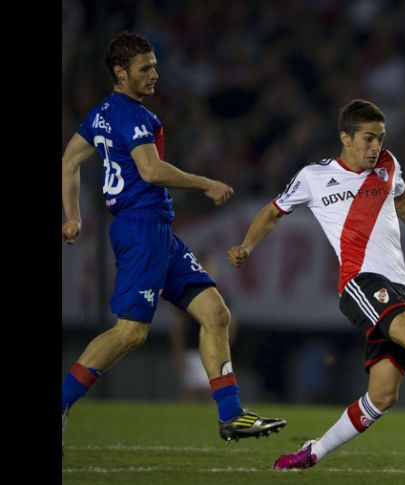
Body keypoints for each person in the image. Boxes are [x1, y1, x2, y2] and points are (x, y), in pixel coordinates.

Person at [228, 99, 405, 470]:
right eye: (368, 139)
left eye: (380, 139)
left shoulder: (388, 164)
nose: (375, 147)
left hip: (400, 283)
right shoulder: (313, 177)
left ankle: (311, 451)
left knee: (382, 396)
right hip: (359, 281)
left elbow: (401, 197)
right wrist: (245, 246)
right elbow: (273, 212)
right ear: (346, 138)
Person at [61, 31, 285, 452]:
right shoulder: (134, 116)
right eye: (145, 68)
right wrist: (204, 183)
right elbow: (150, 171)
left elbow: (69, 160)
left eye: (155, 66)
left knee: (215, 313)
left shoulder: (101, 114)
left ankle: (231, 414)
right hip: (141, 228)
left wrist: (73, 216)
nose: (154, 74)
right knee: (130, 333)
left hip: (158, 232)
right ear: (119, 72)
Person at [171, 252, 238, 403]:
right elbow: (179, 327)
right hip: (193, 349)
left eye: (211, 267)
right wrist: (178, 351)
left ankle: (211, 422)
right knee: (191, 389)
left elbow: (231, 324)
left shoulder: (221, 295)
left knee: (213, 390)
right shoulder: (188, 292)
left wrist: (225, 347)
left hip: (213, 348)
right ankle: (187, 423)